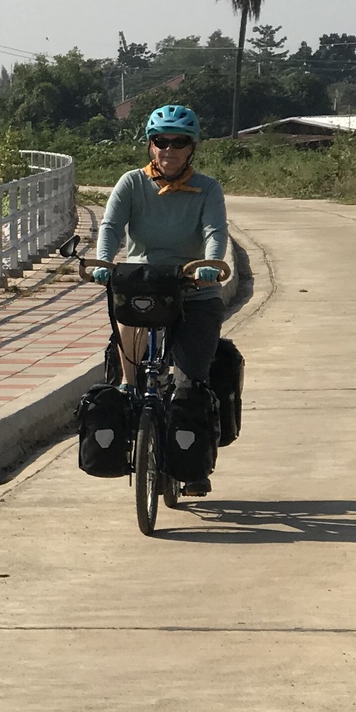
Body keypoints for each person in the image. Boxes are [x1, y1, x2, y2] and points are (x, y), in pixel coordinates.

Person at [91, 104, 228, 493]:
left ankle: (194, 464)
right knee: (128, 369)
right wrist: (104, 262)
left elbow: (215, 231)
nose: (169, 149)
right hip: (144, 287)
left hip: (195, 290)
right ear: (150, 145)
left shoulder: (208, 189)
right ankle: (129, 390)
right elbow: (111, 227)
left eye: (178, 142)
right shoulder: (132, 183)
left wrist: (211, 265)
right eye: (161, 141)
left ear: (191, 147)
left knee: (190, 383)